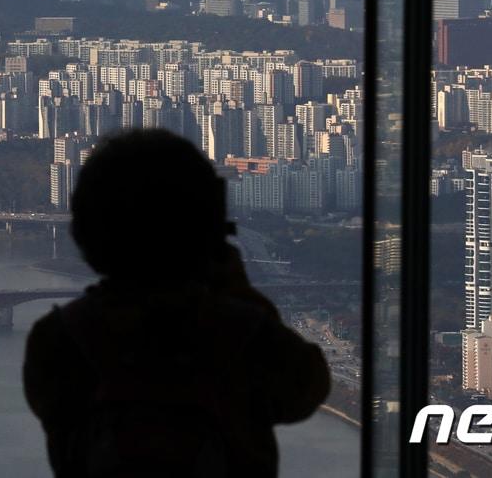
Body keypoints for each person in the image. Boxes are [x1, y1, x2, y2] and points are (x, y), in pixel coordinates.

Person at [23, 129, 330, 477]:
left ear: (85, 231)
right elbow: (306, 389)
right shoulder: (242, 336)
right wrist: (237, 286)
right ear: (208, 226)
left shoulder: (56, 343)